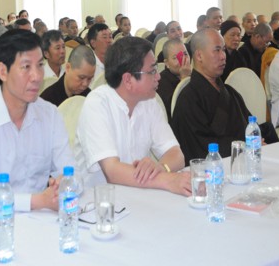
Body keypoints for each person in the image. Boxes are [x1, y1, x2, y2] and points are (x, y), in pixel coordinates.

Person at [0, 29, 74, 212]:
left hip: (43, 220)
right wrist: (36, 201)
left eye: (40, 65)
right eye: (26, 67)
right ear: (3, 72)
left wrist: (64, 182)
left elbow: (73, 172)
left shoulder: (49, 114)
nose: (37, 76)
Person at [74, 37, 191, 195]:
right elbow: (112, 171)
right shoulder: (97, 103)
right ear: (128, 79)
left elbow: (176, 154)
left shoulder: (149, 102)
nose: (158, 77)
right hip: (97, 201)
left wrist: (160, 168)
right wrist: (167, 180)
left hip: (138, 196)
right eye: (152, 71)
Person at [170, 29, 277, 164]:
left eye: (223, 50)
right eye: (217, 50)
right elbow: (200, 147)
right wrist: (245, 147)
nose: (223, 56)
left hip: (245, 162)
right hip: (215, 170)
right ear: (199, 55)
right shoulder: (188, 100)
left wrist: (256, 141)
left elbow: (249, 126)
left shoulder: (230, 92)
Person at [156, 38, 191, 121]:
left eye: (185, 54)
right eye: (176, 57)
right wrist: (184, 80)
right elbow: (179, 111)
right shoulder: (161, 83)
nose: (183, 60)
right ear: (167, 63)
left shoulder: (194, 74)